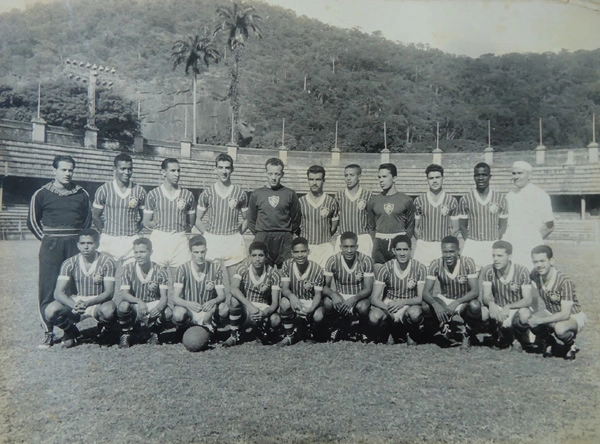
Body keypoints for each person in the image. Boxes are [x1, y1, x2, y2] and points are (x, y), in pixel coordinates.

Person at [28, 155, 92, 348]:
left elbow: (87, 222)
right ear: (53, 170)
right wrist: (49, 241)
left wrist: (76, 242)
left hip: (74, 245)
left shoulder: (82, 194)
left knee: (70, 289)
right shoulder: (41, 194)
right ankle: (48, 332)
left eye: (70, 170)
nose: (67, 173)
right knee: (48, 289)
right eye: (63, 169)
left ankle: (68, 331)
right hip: (51, 246)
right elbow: (32, 222)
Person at [44, 229, 117, 348]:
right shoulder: (69, 262)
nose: (86, 247)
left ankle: (106, 331)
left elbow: (109, 292)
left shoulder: (106, 262)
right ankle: (70, 331)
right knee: (50, 311)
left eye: (90, 243)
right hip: (76, 302)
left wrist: (88, 303)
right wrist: (73, 305)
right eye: (82, 243)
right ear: (78, 245)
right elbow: (58, 293)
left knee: (109, 311)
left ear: (97, 244)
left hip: (97, 301)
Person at [521, 245, 586, 360]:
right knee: (528, 319)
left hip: (572, 316)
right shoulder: (536, 274)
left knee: (560, 329)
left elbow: (565, 314)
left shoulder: (564, 281)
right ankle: (550, 343)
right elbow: (523, 277)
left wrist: (540, 320)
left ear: (551, 261)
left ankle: (570, 345)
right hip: (551, 312)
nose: (539, 265)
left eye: (542, 261)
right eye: (535, 262)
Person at [422, 236, 480, 349]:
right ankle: (441, 329)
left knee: (475, 305)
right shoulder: (436, 263)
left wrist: (457, 302)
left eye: (451, 251)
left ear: (458, 250)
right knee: (425, 306)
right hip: (445, 298)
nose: (448, 255)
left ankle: (467, 334)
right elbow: (426, 292)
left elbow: (475, 291)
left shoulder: (468, 262)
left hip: (463, 300)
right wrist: (436, 305)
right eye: (445, 252)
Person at [368, 235, 427, 344]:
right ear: (393, 250)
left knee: (415, 313)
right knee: (374, 317)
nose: (402, 253)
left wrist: (403, 302)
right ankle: (390, 329)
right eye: (399, 249)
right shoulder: (385, 268)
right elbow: (374, 299)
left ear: (411, 250)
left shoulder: (420, 268)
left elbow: (420, 298)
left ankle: (410, 332)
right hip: (390, 303)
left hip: (409, 304)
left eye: (405, 249)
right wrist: (387, 307)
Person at [195, 153, 248, 274]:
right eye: (220, 167)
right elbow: (197, 219)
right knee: (211, 281)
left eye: (227, 168)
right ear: (215, 169)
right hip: (213, 239)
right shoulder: (207, 193)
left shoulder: (240, 193)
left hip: (233, 240)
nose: (224, 171)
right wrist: (208, 234)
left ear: (232, 169)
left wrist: (238, 233)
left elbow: (247, 219)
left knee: (235, 282)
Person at [222, 241, 282, 347]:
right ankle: (234, 334)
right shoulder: (243, 268)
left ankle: (263, 330)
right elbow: (233, 289)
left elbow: (275, 303)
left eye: (261, 255)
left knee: (276, 320)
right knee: (234, 300)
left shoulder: (273, 273)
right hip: (247, 309)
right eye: (254, 255)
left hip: (263, 309)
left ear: (266, 257)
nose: (257, 259)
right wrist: (249, 306)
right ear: (249, 257)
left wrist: (264, 313)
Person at [142, 158, 196, 276]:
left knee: (180, 280)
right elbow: (146, 221)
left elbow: (191, 222)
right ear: (163, 172)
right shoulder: (153, 194)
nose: (177, 174)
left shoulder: (187, 195)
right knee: (155, 280)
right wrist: (161, 225)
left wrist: (180, 229)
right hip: (159, 239)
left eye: (178, 170)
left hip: (179, 240)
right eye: (172, 170)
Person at [170, 235, 228, 341]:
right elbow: (175, 297)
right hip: (190, 310)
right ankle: (184, 328)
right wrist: (188, 304)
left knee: (224, 309)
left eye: (202, 252)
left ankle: (211, 328)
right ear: (190, 252)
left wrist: (213, 301)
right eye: (196, 252)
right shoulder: (182, 269)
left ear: (206, 250)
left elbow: (222, 295)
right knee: (178, 314)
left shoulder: (215, 267)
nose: (200, 255)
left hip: (208, 310)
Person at [247, 157, 302, 268]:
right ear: (266, 173)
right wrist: (260, 234)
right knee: (263, 272)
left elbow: (296, 218)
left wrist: (287, 233)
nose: (273, 178)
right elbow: (251, 219)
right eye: (270, 173)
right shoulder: (257, 194)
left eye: (277, 174)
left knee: (287, 271)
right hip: (263, 235)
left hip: (284, 237)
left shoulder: (290, 193)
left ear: (282, 174)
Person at [116, 237, 171, 348]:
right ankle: (126, 333)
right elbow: (124, 294)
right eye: (136, 252)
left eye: (142, 252)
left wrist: (159, 308)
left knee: (169, 312)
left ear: (151, 252)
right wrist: (139, 301)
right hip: (135, 304)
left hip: (152, 303)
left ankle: (154, 332)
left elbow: (164, 297)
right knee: (123, 306)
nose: (138, 255)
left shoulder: (160, 270)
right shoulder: (128, 268)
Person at [92, 153, 146, 263]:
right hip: (109, 238)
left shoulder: (139, 190)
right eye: (123, 169)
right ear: (115, 169)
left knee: (132, 274)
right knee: (106, 274)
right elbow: (95, 216)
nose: (127, 172)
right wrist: (104, 232)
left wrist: (135, 230)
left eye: (130, 169)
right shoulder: (104, 189)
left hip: (131, 239)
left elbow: (144, 216)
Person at [480, 240, 533, 350]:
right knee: (483, 313)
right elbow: (486, 295)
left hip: (515, 308)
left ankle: (518, 336)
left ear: (509, 256)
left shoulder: (522, 271)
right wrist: (491, 304)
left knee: (525, 314)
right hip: (498, 307)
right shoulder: (489, 270)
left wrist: (508, 306)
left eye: (500, 256)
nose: (495, 259)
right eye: (493, 255)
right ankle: (497, 334)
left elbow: (527, 300)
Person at [322, 231, 374, 341]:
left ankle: (362, 329)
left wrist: (354, 299)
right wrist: (333, 295)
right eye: (346, 247)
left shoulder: (366, 260)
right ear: (340, 247)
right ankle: (335, 327)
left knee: (363, 307)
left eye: (352, 246)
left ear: (357, 246)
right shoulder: (332, 260)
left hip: (358, 297)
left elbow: (368, 289)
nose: (349, 250)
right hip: (341, 297)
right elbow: (324, 286)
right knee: (327, 302)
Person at [503, 161, 554, 269]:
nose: (516, 176)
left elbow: (550, 226)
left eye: (520, 173)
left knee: (530, 279)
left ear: (529, 175)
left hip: (531, 246)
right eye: (514, 173)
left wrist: (533, 238)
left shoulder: (540, 195)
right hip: (511, 243)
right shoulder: (510, 195)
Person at [366, 163, 415, 273]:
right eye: (379, 177)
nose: (381, 180)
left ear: (394, 178)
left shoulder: (406, 200)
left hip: (398, 243)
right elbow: (371, 226)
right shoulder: (373, 201)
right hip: (379, 244)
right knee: (379, 278)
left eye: (384, 177)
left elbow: (410, 226)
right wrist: (376, 242)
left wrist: (403, 244)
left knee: (397, 278)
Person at [458, 162, 508, 271]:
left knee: (493, 279)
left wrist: (495, 240)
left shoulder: (500, 198)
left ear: (490, 176)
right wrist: (469, 242)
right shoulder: (465, 199)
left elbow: (503, 225)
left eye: (484, 175)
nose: (481, 178)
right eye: (477, 175)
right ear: (474, 177)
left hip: (492, 244)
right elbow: (462, 226)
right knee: (469, 280)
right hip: (473, 244)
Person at [277, 237, 325, 345]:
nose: (300, 255)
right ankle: (289, 335)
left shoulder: (317, 268)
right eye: (297, 252)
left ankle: (310, 329)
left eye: (303, 251)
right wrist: (292, 297)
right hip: (295, 300)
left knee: (319, 316)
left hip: (310, 301)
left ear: (308, 251)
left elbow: (318, 294)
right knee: (284, 303)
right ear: (292, 253)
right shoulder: (287, 265)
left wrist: (311, 309)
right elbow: (284, 288)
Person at [413, 164, 459, 268]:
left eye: (437, 177)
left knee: (443, 279)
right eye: (431, 178)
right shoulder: (419, 201)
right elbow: (415, 228)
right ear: (427, 180)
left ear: (443, 178)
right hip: (424, 246)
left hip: (442, 246)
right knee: (422, 280)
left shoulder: (451, 201)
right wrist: (422, 241)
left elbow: (455, 229)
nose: (434, 181)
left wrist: (447, 244)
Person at [299, 165, 339, 267]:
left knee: (326, 280)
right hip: (307, 247)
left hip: (325, 246)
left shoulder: (331, 201)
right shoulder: (300, 202)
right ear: (308, 180)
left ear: (323, 180)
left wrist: (324, 235)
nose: (314, 183)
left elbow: (334, 225)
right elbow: (296, 225)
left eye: (318, 179)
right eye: (311, 179)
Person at [334, 164, 373, 257]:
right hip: (344, 238)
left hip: (362, 238)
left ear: (359, 176)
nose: (348, 178)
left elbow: (372, 220)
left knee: (363, 267)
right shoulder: (339, 195)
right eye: (346, 175)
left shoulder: (368, 195)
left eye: (351, 175)